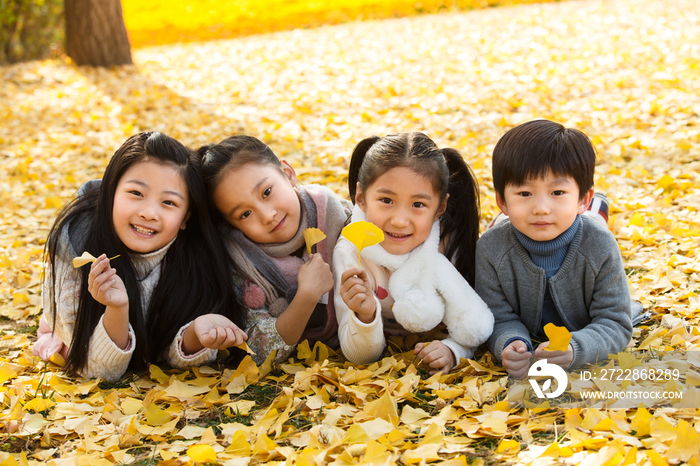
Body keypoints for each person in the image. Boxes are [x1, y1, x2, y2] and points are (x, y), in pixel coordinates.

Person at [34, 132, 247, 382]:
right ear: (111, 192)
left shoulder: (195, 258)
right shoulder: (75, 253)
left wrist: (195, 335)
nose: (149, 213)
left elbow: (167, 354)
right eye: (136, 193)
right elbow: (99, 370)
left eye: (169, 202)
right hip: (78, 336)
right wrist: (117, 309)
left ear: (185, 218)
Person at [476, 119, 636, 380]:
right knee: (501, 230)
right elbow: (496, 315)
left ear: (584, 198)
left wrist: (576, 348)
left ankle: (598, 210)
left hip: (586, 230)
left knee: (593, 227)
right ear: (501, 201)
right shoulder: (491, 249)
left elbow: (615, 323)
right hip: (506, 230)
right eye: (525, 193)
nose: (541, 207)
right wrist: (509, 342)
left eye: (558, 192)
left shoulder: (600, 246)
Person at [334, 132, 494, 374]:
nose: (399, 221)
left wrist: (454, 350)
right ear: (360, 198)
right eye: (386, 200)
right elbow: (359, 357)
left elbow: (470, 322)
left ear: (441, 207)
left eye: (418, 204)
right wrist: (364, 315)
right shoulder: (351, 252)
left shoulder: (447, 244)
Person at [197, 136, 352, 364]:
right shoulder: (243, 263)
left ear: (288, 173)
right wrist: (306, 295)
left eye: (267, 192)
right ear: (232, 225)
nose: (268, 216)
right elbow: (259, 348)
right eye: (245, 214)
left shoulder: (339, 216)